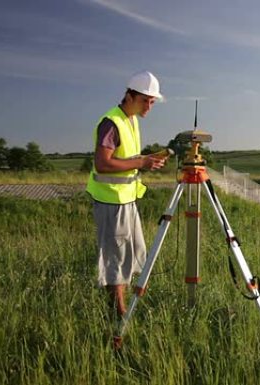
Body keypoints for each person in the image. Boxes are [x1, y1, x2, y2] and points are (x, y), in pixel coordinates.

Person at [86, 71, 168, 318]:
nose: (149, 107)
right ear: (130, 95)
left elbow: (128, 159)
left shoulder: (131, 119)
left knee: (133, 254)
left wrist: (146, 161)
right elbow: (102, 164)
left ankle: (128, 306)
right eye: (146, 101)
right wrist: (140, 163)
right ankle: (118, 315)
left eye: (153, 102)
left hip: (127, 199)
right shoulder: (112, 122)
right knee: (116, 260)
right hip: (111, 201)